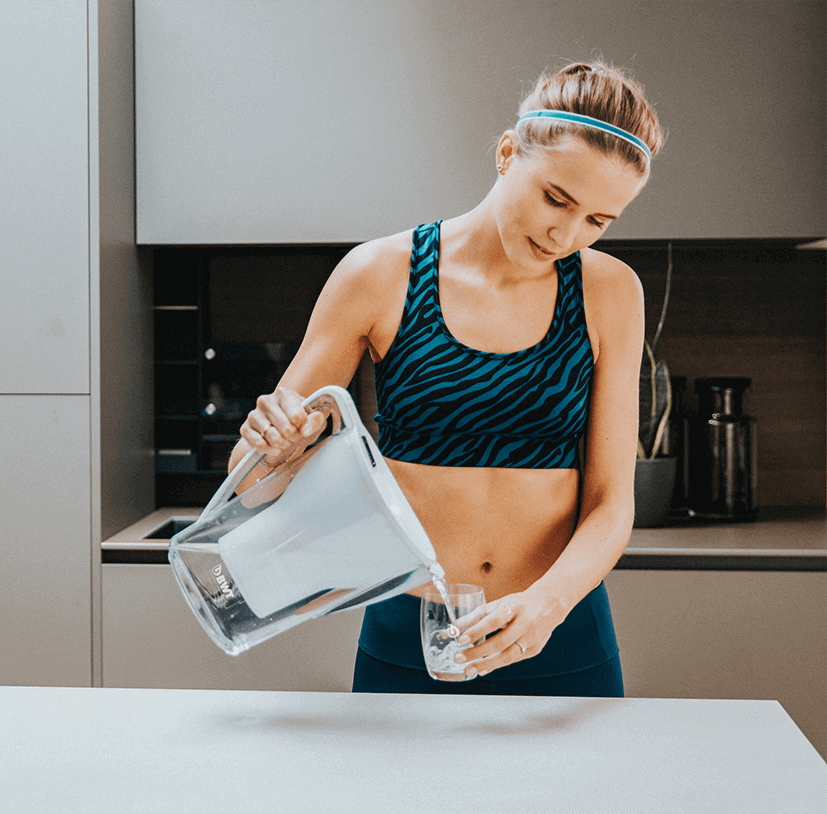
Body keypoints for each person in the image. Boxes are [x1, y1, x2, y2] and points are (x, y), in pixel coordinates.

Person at [228, 61, 665, 696]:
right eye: (556, 198)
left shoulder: (610, 292)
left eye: (598, 221)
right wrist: (273, 447)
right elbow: (250, 486)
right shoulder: (379, 275)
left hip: (558, 631)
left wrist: (545, 607)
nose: (565, 234)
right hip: (411, 636)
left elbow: (610, 502)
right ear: (508, 154)